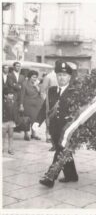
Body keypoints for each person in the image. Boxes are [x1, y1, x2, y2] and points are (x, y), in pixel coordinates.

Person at [33, 60, 78, 188]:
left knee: (60, 151)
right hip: (54, 128)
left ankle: (50, 178)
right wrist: (37, 122)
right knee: (64, 151)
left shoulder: (75, 91)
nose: (61, 78)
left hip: (68, 129)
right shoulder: (51, 90)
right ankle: (71, 175)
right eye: (59, 75)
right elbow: (44, 108)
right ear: (56, 76)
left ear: (69, 77)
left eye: (64, 75)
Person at [20, 70, 44, 140]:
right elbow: (22, 95)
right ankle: (26, 134)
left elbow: (41, 93)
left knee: (35, 120)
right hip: (27, 104)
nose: (35, 79)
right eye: (33, 77)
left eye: (36, 77)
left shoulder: (37, 84)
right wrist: (21, 105)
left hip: (37, 104)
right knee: (27, 119)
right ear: (30, 77)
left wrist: (36, 86)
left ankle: (34, 134)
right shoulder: (24, 84)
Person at [40, 68, 58, 150]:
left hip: (59, 100)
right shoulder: (48, 77)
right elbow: (42, 90)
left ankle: (56, 139)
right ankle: (48, 136)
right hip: (50, 101)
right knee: (49, 118)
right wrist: (46, 101)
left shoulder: (62, 76)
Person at [7, 62, 27, 139]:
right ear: (13, 67)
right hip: (12, 95)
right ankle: (10, 130)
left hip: (20, 96)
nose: (18, 67)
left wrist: (19, 86)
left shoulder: (22, 76)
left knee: (20, 112)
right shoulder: (10, 75)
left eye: (19, 66)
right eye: (17, 66)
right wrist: (19, 86)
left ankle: (21, 129)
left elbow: (23, 86)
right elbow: (11, 84)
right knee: (11, 111)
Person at [2, 87, 18, 155]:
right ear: (5, 95)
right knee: (2, 136)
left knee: (11, 136)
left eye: (12, 94)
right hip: (4, 122)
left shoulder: (14, 102)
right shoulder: (2, 102)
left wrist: (16, 120)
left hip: (11, 121)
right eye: (10, 94)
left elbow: (15, 112)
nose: (12, 95)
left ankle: (10, 148)